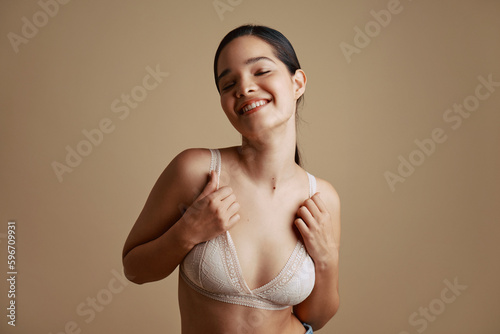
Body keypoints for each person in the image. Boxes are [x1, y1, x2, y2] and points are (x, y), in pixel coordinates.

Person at [122, 24, 341, 334]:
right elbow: (134, 270)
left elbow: (314, 319)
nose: (244, 88)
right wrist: (187, 232)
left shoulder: (322, 198)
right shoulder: (196, 171)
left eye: (261, 71)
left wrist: (327, 258)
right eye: (228, 84)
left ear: (298, 83)